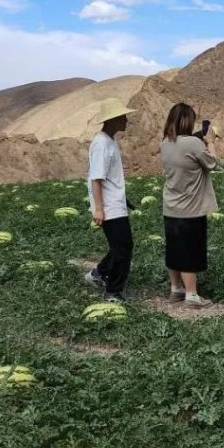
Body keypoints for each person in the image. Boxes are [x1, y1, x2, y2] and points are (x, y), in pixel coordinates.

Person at [160, 103, 219, 308]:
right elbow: (211, 163)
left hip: (171, 206)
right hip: (191, 209)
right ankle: (192, 295)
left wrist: (197, 139)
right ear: (187, 120)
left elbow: (183, 151)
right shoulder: (193, 145)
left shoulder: (165, 143)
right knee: (190, 251)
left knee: (174, 249)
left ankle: (176, 289)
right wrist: (210, 141)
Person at [85, 98, 135, 303]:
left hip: (115, 203)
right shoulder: (100, 144)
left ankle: (98, 274)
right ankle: (112, 292)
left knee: (121, 246)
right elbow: (96, 178)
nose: (126, 120)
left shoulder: (110, 140)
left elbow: (109, 177)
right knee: (123, 249)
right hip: (108, 207)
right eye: (123, 116)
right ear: (113, 119)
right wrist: (98, 209)